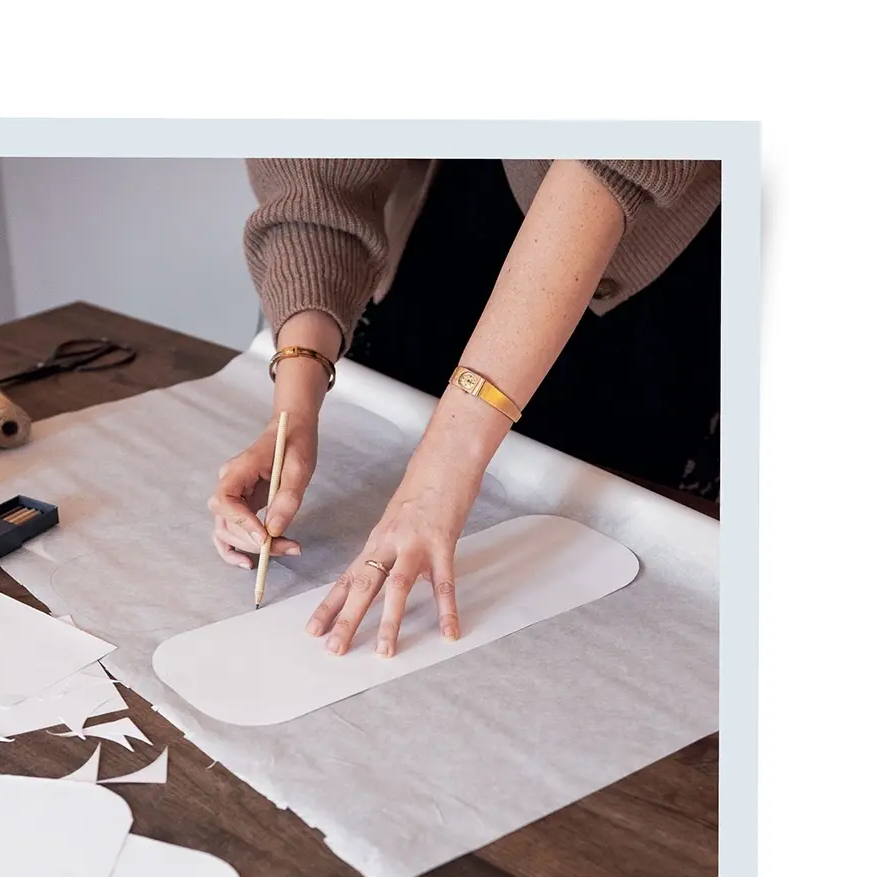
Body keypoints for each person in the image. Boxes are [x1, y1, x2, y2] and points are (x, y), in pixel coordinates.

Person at [208, 157, 721, 658]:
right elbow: (316, 170)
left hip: (646, 266)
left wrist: (441, 472)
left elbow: (615, 155)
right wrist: (295, 406)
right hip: (446, 211)